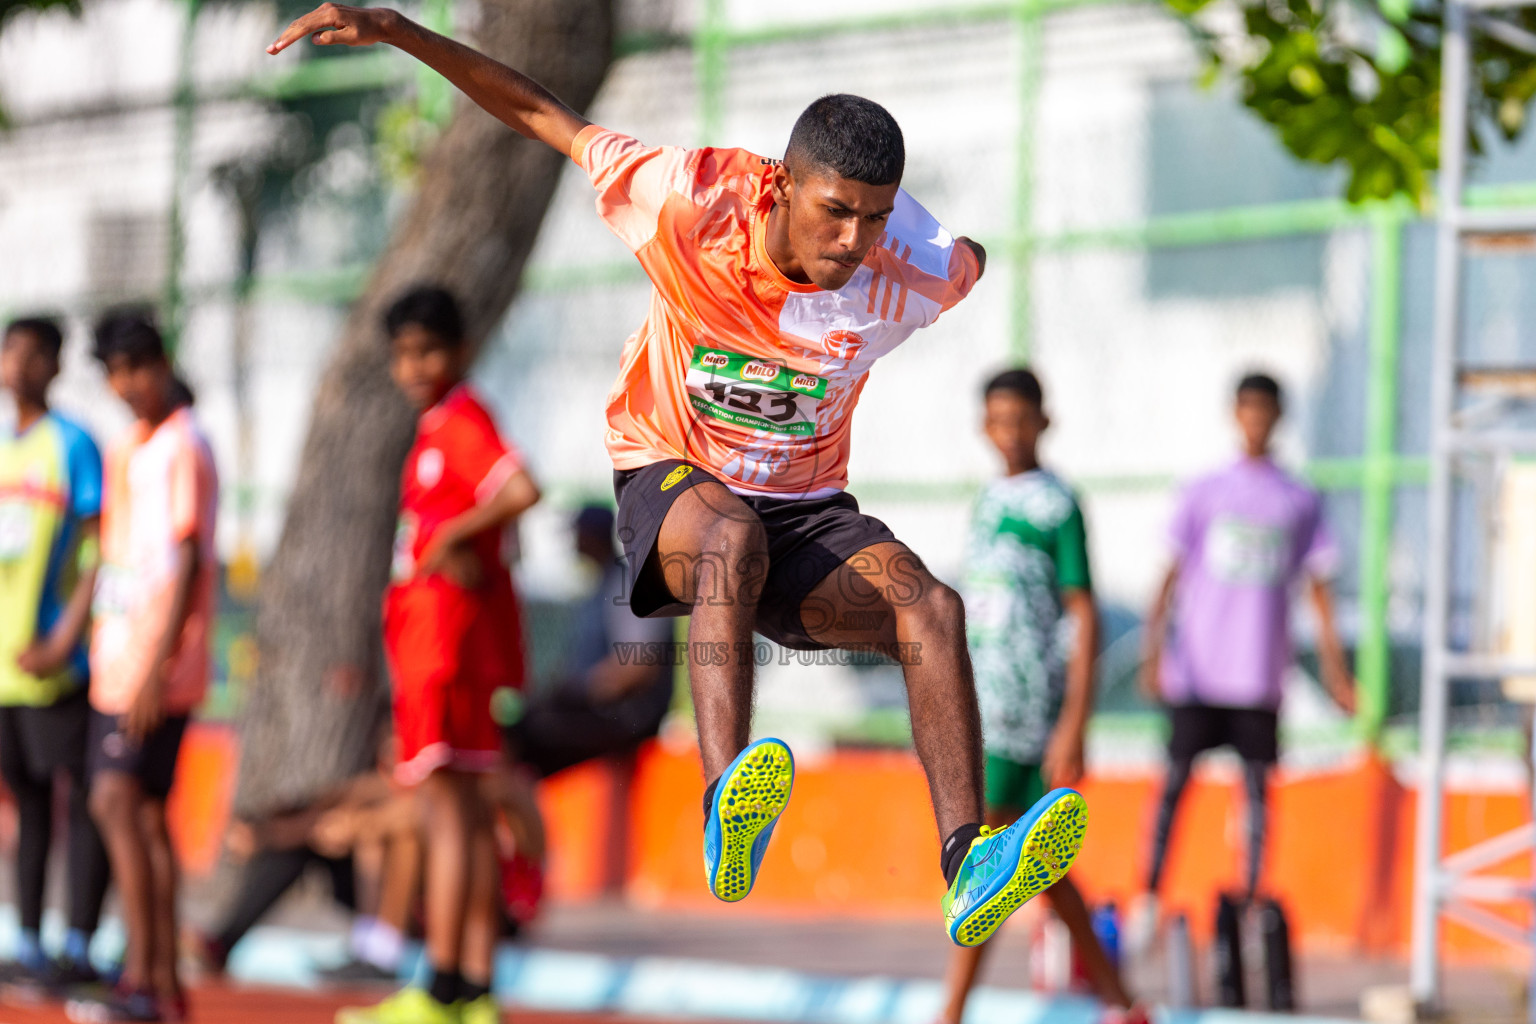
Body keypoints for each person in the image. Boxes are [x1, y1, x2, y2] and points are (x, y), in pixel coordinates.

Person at [267, 6, 1089, 949]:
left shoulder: (912, 266)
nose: (854, 240)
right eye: (836, 211)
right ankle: (725, 799)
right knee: (731, 537)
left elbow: (968, 262)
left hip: (807, 514)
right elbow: (543, 115)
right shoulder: (689, 199)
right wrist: (402, 32)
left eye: (875, 215)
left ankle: (967, 859)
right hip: (675, 476)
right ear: (783, 184)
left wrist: (941, 244)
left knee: (931, 610)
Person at [335, 285, 539, 1024]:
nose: (414, 366)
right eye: (403, 354)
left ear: (458, 351)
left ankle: (443, 987)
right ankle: (473, 989)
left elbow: (520, 489)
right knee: (467, 815)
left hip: (443, 647)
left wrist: (450, 538)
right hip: (450, 643)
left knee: (447, 816)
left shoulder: (457, 422)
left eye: (427, 350)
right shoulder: (438, 427)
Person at [938, 369, 1137, 1024]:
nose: (1011, 433)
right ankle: (1118, 1001)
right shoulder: (988, 500)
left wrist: (1074, 722)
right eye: (999, 420)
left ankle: (952, 1012)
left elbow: (1083, 614)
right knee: (1036, 866)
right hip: (981, 704)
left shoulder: (1058, 504)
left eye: (1022, 419)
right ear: (983, 427)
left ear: (1044, 423)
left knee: (987, 865)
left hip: (1026, 710)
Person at [1135, 372, 1355, 930]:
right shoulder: (1204, 491)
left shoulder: (1298, 498)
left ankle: (1252, 903)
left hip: (1258, 677)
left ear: (1278, 417)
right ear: (1235, 414)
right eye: (1248, 410)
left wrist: (1336, 672)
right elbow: (1168, 575)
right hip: (1200, 675)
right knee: (1174, 788)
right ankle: (1149, 899)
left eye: (1266, 411)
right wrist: (1153, 651)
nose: (1256, 420)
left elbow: (1319, 587)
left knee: (1257, 800)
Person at [70, 313, 218, 1024]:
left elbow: (187, 559)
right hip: (120, 654)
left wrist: (157, 667)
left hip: (153, 665)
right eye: (115, 372)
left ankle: (143, 977)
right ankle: (162, 983)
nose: (127, 384)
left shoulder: (182, 446)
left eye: (137, 367)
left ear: (162, 363)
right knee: (147, 817)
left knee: (113, 803)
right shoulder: (135, 444)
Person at [0, 317, 111, 996]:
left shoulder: (73, 445)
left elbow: (100, 552)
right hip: (6, 668)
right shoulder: (4, 450)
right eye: (10, 350)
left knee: (85, 799)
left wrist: (66, 638)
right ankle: (31, 942)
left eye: (34, 353)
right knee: (29, 805)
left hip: (56, 664)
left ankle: (80, 943)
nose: (19, 364)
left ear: (56, 365)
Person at [505, 505, 675, 778]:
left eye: (578, 533)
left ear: (592, 535)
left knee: (523, 736)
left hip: (630, 717)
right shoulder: (600, 585)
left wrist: (578, 691)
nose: (574, 541)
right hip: (605, 710)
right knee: (520, 729)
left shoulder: (626, 584)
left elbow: (637, 669)